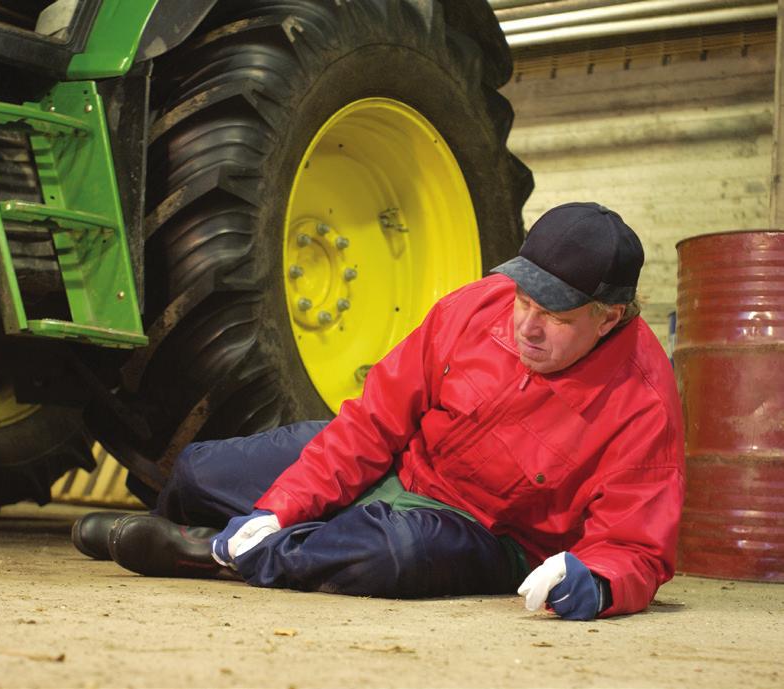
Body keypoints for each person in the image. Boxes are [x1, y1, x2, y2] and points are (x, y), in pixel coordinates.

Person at [72, 201, 684, 620]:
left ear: (610, 317)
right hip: (403, 465)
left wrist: (597, 584)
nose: (526, 326)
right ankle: (190, 534)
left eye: (555, 316)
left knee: (393, 553)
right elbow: (374, 420)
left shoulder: (643, 402)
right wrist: (282, 505)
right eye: (523, 299)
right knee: (201, 469)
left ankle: (206, 556)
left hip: (487, 532)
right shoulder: (475, 307)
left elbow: (636, 548)